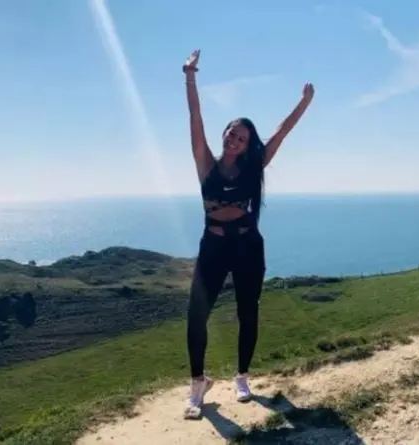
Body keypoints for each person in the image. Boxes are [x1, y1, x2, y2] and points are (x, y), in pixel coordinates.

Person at [182, 49, 314, 419]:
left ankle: (242, 377)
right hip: (213, 247)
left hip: (246, 247)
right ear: (224, 135)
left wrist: (303, 103)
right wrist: (190, 76)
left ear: (247, 144)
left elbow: (282, 133)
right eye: (231, 134)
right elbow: (195, 117)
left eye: (241, 138)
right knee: (196, 315)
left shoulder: (254, 167)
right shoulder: (205, 163)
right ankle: (198, 385)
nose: (233, 140)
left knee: (247, 312)